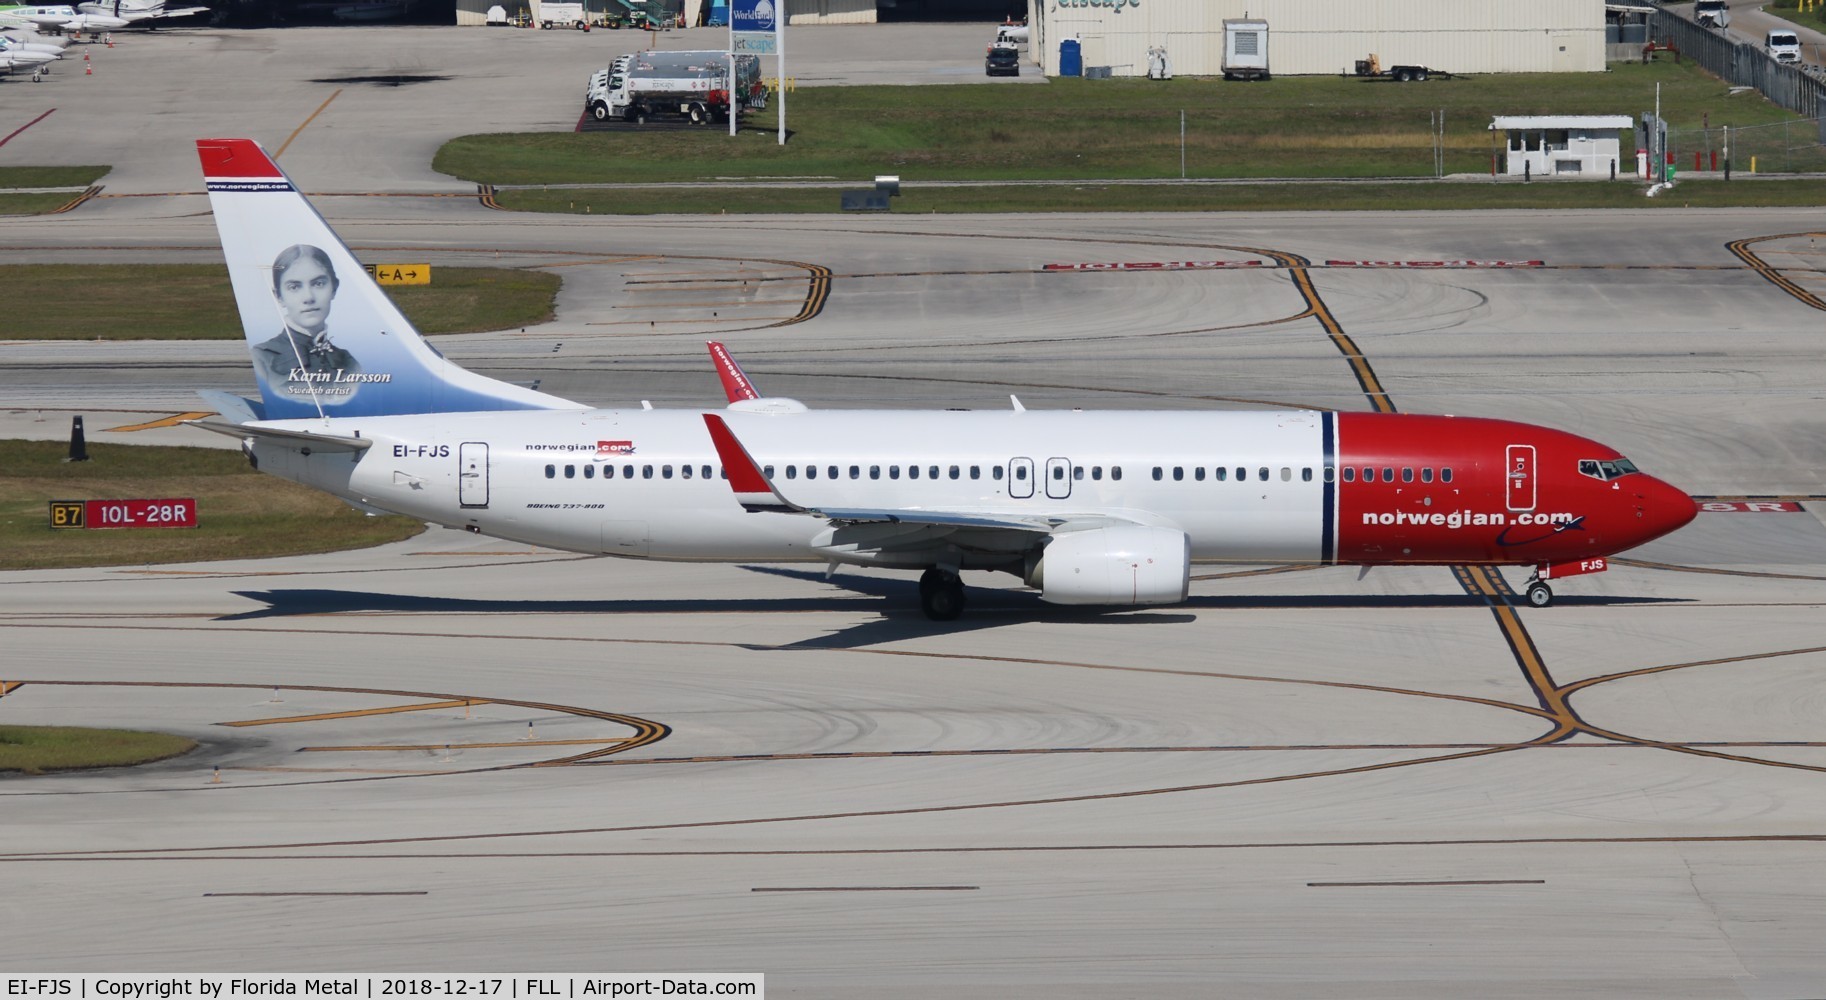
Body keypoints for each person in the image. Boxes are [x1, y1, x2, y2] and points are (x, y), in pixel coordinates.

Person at [252, 244, 360, 398]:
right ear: (279, 297)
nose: (308, 297)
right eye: (294, 287)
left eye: (318, 284)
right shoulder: (262, 357)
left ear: (334, 288)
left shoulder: (348, 361)